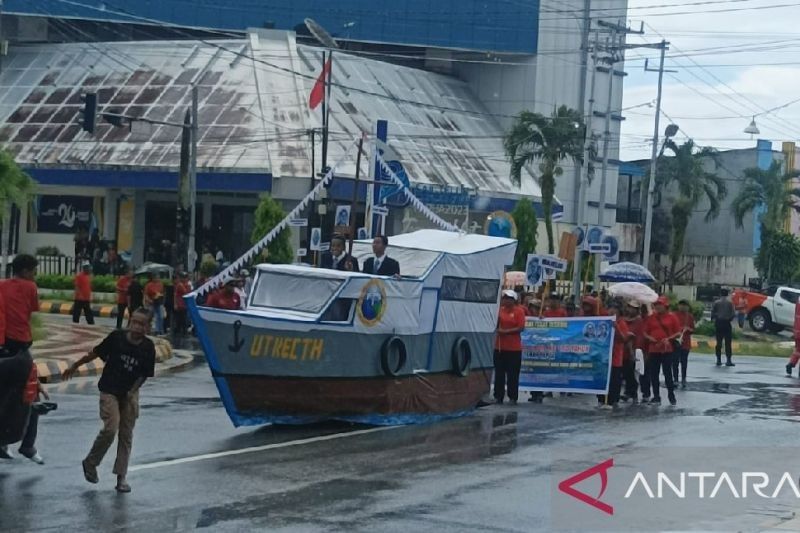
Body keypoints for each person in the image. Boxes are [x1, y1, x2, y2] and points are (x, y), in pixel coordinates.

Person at [62, 308, 156, 493]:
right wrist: (75, 365)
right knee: (111, 428)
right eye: (134, 322)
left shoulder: (148, 347)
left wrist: (132, 391)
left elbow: (144, 374)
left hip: (130, 392)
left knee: (126, 435)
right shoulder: (117, 338)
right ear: (130, 322)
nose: (137, 327)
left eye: (142, 324)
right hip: (109, 390)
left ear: (148, 327)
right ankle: (91, 462)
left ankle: (121, 478)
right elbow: (96, 353)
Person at [0, 254, 48, 464]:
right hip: (19, 348)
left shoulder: (2, 286)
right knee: (30, 394)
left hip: (4, 347)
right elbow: (32, 309)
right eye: (34, 271)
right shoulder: (30, 287)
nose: (35, 275)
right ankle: (27, 445)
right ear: (27, 271)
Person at [643, 296, 680, 406]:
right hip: (653, 349)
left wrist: (668, 339)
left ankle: (671, 393)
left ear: (665, 306)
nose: (658, 306)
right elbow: (645, 332)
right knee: (654, 374)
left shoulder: (672, 317)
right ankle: (656, 396)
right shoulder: (651, 318)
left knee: (667, 372)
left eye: (660, 304)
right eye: (657, 304)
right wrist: (651, 339)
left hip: (666, 349)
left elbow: (678, 333)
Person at [494, 290, 526, 405]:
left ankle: (513, 397)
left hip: (514, 349)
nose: (507, 300)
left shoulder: (519, 311)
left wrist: (506, 331)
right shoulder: (499, 311)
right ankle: (498, 396)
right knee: (499, 373)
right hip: (499, 347)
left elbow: (521, 327)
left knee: (512, 374)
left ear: (514, 300)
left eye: (509, 298)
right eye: (505, 298)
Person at [598, 300, 631, 410]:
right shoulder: (603, 321)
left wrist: (615, 326)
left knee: (614, 381)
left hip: (615, 357)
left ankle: (612, 401)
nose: (612, 310)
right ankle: (601, 399)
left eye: (614, 308)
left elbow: (624, 339)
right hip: (603, 357)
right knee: (601, 379)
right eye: (610, 308)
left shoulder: (621, 322)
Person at [673, 300, 695, 388]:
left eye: (685, 305)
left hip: (686, 343)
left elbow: (693, 329)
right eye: (681, 305)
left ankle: (683, 378)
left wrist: (688, 329)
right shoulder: (674, 315)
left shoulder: (690, 317)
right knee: (675, 362)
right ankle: (675, 379)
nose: (682, 307)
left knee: (684, 362)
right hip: (675, 342)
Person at [711, 289, 736, 367]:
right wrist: (729, 319)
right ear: (727, 294)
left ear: (720, 294)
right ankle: (728, 360)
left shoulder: (716, 302)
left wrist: (714, 319)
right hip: (727, 323)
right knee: (728, 343)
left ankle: (718, 360)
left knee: (719, 342)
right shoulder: (730, 303)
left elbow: (713, 313)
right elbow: (733, 314)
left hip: (719, 323)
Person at [173, 272, 191, 337]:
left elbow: (189, 293)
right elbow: (177, 294)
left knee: (183, 318)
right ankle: (179, 331)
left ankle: (183, 331)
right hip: (180, 304)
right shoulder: (180, 285)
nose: (185, 279)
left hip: (184, 304)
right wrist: (175, 304)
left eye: (186, 277)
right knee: (180, 319)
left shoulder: (187, 285)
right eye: (184, 277)